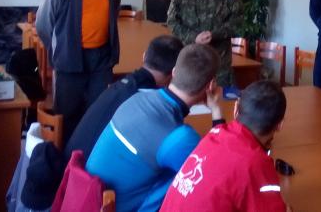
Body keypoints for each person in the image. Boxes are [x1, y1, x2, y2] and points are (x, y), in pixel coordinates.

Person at [86, 44, 224, 212]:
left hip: (90, 199)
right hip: (124, 208)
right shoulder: (179, 138)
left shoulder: (137, 98)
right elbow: (219, 173)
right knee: (190, 179)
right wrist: (217, 112)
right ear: (210, 86)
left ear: (174, 72)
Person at [36, 0, 122, 141]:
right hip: (70, 60)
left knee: (99, 111)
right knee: (67, 113)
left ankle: (91, 154)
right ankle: (66, 155)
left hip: (101, 60)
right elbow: (43, 24)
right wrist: (59, 50)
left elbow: (113, 16)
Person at [160, 81, 291, 212]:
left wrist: (216, 108)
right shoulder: (256, 163)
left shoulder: (216, 134)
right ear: (280, 125)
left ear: (236, 109)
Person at [64, 35, 184, 158]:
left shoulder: (122, 84)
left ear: (144, 56)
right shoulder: (148, 102)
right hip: (85, 167)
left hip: (72, 160)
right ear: (175, 72)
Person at [167, 0, 240, 96]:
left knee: (220, 103)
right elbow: (172, 21)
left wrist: (214, 34)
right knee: (190, 104)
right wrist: (194, 37)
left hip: (219, 64)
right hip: (190, 62)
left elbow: (238, 22)